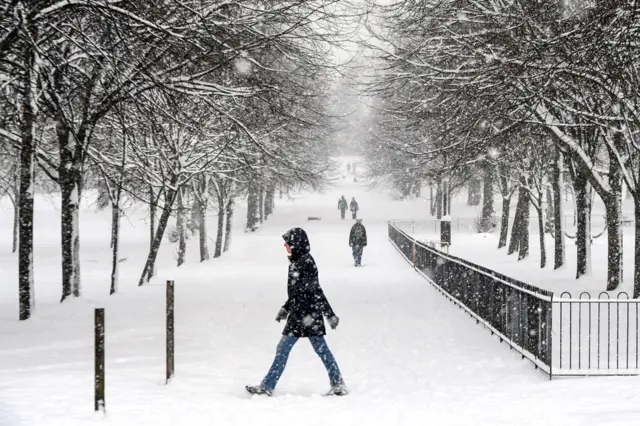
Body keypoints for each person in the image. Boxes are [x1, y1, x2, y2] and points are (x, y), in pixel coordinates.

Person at [246, 228, 347, 397]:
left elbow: (315, 291)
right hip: (299, 315)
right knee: (286, 349)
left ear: (297, 243)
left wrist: (329, 314)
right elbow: (297, 293)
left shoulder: (306, 262)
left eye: (288, 242)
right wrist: (285, 308)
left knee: (318, 349)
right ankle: (268, 385)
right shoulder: (297, 261)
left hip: (309, 315)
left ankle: (338, 384)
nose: (285, 245)